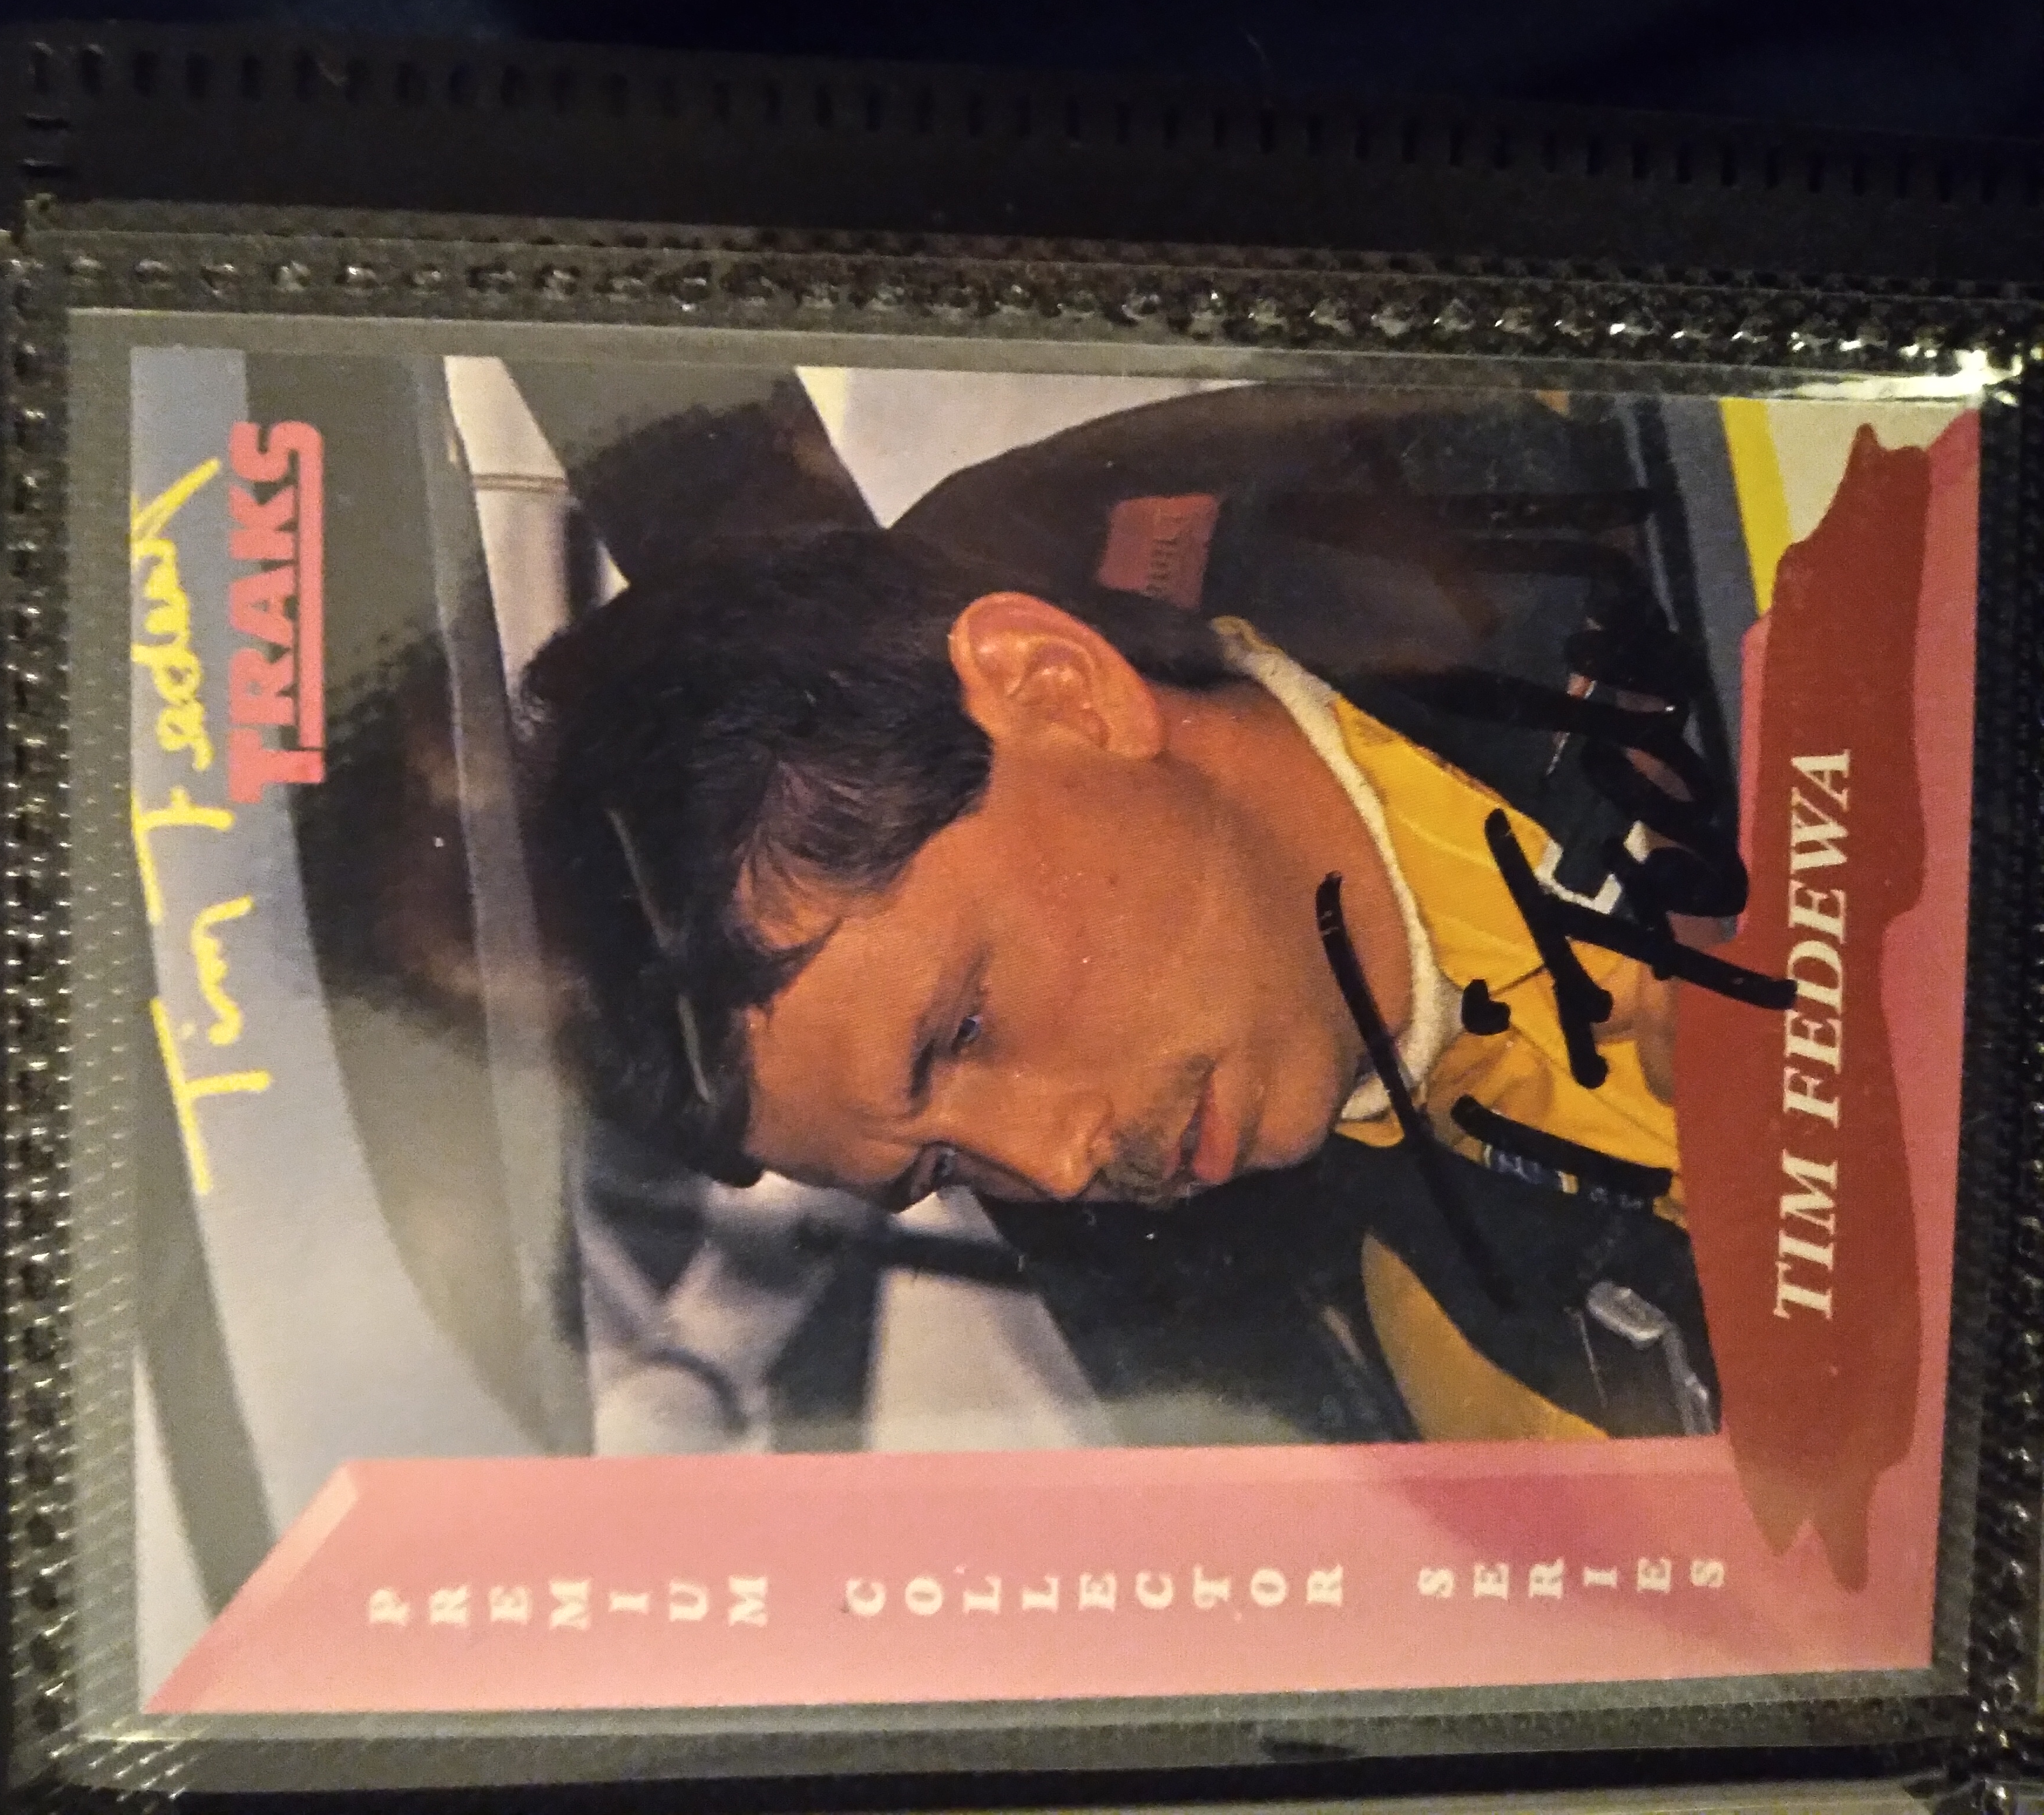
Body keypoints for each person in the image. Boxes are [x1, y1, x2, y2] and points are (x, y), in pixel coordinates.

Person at [517, 451, 1765, 1444]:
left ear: (1058, 688)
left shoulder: (1658, 526)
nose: (1053, 1169)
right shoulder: (1477, 1382)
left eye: (964, 1029)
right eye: (940, 1168)